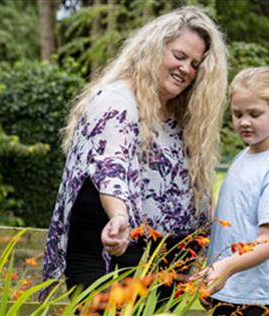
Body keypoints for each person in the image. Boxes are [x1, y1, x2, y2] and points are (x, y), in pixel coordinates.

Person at [40, 6, 227, 302]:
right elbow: (111, 170)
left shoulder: (182, 118)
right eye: (179, 56)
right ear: (154, 49)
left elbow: (197, 190)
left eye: (195, 64)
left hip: (163, 274)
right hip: (109, 265)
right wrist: (119, 218)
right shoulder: (116, 101)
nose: (186, 70)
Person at [196, 67, 269, 316]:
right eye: (237, 114)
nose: (244, 122)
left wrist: (224, 269)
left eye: (255, 113)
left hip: (264, 298)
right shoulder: (243, 157)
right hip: (231, 290)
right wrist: (213, 273)